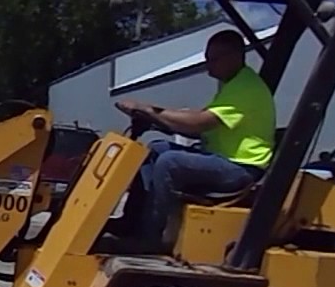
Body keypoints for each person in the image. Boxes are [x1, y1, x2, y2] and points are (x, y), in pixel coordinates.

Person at [110, 29, 276, 248]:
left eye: (213, 60)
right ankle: (131, 222)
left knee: (169, 163)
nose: (209, 68)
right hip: (224, 160)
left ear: (235, 56)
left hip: (241, 169)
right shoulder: (232, 84)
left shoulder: (246, 88)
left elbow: (199, 122)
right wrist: (159, 117)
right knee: (156, 149)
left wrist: (150, 110)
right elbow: (195, 121)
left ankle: (149, 239)